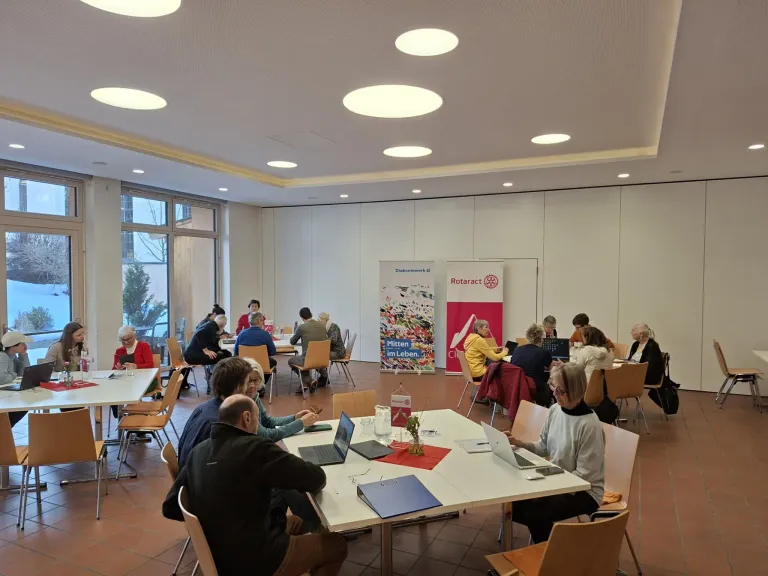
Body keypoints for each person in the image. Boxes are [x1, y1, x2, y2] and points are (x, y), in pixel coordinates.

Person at [163, 394, 348, 576]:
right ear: (247, 418)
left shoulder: (198, 451)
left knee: (297, 523)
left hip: (216, 555)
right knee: (337, 545)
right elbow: (314, 478)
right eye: (258, 419)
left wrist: (216, 516)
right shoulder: (256, 448)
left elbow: (170, 507)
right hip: (256, 560)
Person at [505, 363, 605, 543]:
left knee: (535, 511)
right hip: (560, 480)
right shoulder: (555, 410)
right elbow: (543, 446)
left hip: (584, 492)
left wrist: (548, 483)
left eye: (560, 390)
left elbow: (584, 477)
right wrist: (518, 443)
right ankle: (549, 548)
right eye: (553, 387)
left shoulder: (589, 425)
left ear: (576, 391)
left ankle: (551, 555)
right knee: (518, 504)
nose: (554, 393)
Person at [177, 357, 319, 469]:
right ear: (237, 387)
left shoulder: (204, 408)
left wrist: (294, 418)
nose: (251, 387)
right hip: (208, 493)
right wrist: (299, 423)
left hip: (194, 483)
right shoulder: (227, 421)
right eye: (247, 382)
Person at [111, 325, 158, 418]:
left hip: (147, 381)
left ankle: (133, 418)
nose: (126, 342)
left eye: (128, 339)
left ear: (134, 336)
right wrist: (118, 368)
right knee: (114, 389)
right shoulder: (119, 351)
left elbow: (150, 365)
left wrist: (136, 366)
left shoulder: (143, 346)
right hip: (127, 381)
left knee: (132, 391)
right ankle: (122, 416)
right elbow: (113, 369)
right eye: (122, 340)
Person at [511, 323, 558, 406]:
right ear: (541, 338)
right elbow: (550, 369)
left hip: (517, 387)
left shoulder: (517, 349)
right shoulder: (543, 352)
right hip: (535, 389)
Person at [288, 308, 329, 393]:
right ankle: (306, 383)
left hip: (308, 360)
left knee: (291, 361)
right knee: (306, 358)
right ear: (311, 314)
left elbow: (292, 342)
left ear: (302, 318)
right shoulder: (322, 326)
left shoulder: (302, 327)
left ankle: (308, 380)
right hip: (322, 359)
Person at [234, 312, 277, 382]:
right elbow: (273, 352)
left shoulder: (242, 334)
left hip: (245, 363)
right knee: (273, 362)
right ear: (259, 321)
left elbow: (236, 351)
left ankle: (248, 382)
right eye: (263, 320)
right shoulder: (266, 334)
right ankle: (261, 384)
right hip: (261, 363)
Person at [0, 331, 31, 427]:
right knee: (21, 407)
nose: (25, 345)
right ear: (13, 346)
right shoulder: (3, 356)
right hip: (2, 395)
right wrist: (13, 374)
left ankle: (5, 431)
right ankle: (4, 430)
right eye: (22, 344)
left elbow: (24, 373)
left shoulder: (12, 356)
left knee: (24, 407)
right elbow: (2, 378)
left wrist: (23, 355)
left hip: (6, 392)